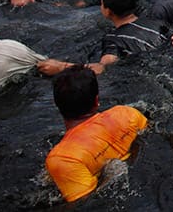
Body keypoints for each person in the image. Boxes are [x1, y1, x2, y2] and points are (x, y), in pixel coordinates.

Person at [45, 66, 148, 202]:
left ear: (57, 105)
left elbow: (86, 204)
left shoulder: (63, 158)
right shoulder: (126, 113)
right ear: (96, 100)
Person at [89, 0, 166, 74]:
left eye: (101, 4)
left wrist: (69, 67)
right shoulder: (156, 21)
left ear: (108, 11)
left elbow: (102, 68)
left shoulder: (113, 39)